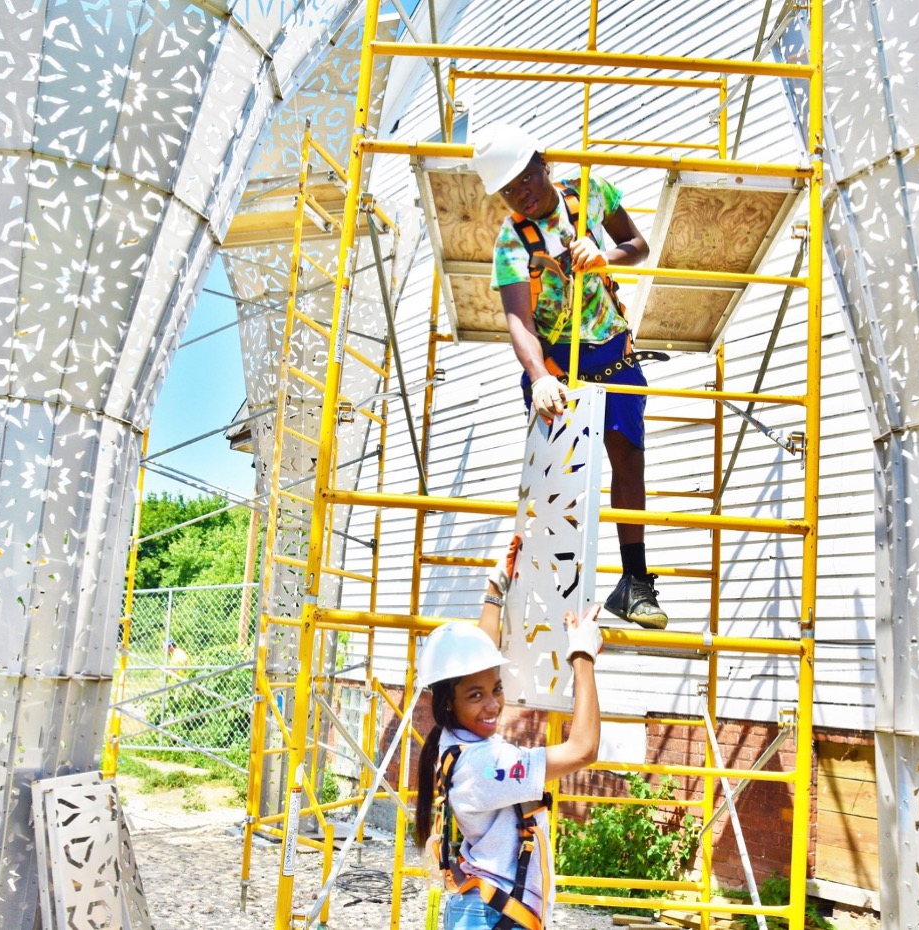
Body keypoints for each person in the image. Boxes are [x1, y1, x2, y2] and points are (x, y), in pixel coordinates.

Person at [471, 122, 667, 630]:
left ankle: (635, 583)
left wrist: (606, 255)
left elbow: (638, 245)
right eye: (509, 191)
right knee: (558, 476)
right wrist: (537, 376)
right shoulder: (511, 243)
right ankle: (556, 587)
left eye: (525, 180)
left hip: (611, 349)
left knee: (627, 456)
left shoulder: (591, 195)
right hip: (555, 363)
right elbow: (518, 319)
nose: (522, 196)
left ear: (544, 164)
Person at [414, 564, 602, 930]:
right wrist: (583, 656)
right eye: (477, 696)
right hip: (494, 916)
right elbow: (583, 749)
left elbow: (475, 670)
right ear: (450, 701)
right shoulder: (487, 764)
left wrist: (494, 591)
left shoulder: (455, 739)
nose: (493, 705)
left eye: (496, 689)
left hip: (487, 910)